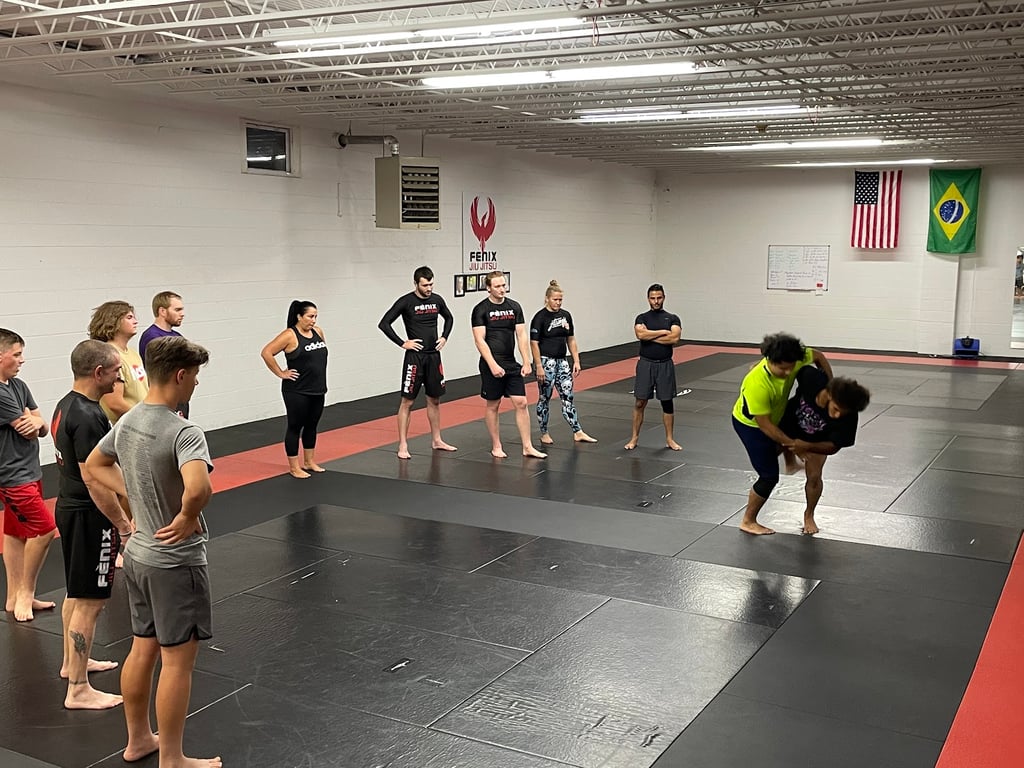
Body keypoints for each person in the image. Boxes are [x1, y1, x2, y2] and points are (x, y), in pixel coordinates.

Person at [85, 336, 220, 768]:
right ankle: (173, 758)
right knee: (178, 662)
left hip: (140, 556)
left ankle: (140, 739)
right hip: (174, 563)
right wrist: (185, 515)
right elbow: (199, 488)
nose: (196, 383)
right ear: (180, 376)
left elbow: (95, 464)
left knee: (142, 648)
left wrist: (136, 494)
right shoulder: (184, 431)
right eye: (194, 376)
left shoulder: (130, 419)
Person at [52, 340, 134, 709]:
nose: (119, 379)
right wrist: (123, 525)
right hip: (88, 515)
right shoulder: (88, 415)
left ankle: (72, 664)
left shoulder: (66, 404)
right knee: (90, 602)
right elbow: (94, 479)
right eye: (116, 372)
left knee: (76, 593)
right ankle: (79, 690)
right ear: (98, 372)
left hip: (70, 509)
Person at [731, 332, 834, 535]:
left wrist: (831, 384)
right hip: (751, 426)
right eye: (782, 368)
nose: (788, 373)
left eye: (791, 367)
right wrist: (795, 446)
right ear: (769, 360)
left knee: (787, 434)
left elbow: (819, 356)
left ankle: (790, 463)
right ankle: (748, 521)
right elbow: (765, 426)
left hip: (777, 413)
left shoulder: (794, 356)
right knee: (769, 476)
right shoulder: (756, 383)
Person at [0, 329, 57, 622]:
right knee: (45, 530)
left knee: (15, 532)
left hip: (30, 469)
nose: (22, 360)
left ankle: (13, 596)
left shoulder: (18, 385)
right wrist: (34, 422)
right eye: (17, 354)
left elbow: (41, 426)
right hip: (12, 475)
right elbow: (30, 428)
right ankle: (25, 591)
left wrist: (35, 422)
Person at [378, 266, 458, 460]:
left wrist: (444, 337)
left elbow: (449, 318)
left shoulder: (437, 300)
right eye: (425, 285)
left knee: (435, 400)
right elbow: (384, 323)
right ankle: (403, 444)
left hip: (433, 357)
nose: (429, 288)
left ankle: (437, 440)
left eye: (431, 284)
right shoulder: (406, 301)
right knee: (408, 401)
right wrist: (402, 343)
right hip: (415, 358)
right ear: (416, 283)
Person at [780, 368, 871, 535]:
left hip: (815, 440)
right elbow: (796, 361)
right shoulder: (813, 379)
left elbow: (834, 446)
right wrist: (762, 367)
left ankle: (809, 514)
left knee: (814, 477)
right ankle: (790, 462)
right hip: (787, 425)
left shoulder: (849, 415)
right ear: (830, 395)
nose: (837, 416)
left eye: (842, 413)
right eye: (836, 409)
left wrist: (806, 446)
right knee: (765, 465)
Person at [471, 270, 547, 459]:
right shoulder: (480, 309)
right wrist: (492, 365)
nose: (502, 289)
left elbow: (521, 335)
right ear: (488, 288)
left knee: (521, 402)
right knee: (493, 405)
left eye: (503, 285)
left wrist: (526, 360)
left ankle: (527, 446)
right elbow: (480, 340)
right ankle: (496, 446)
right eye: (497, 286)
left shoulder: (514, 306)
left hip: (511, 363)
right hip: (491, 364)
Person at [261, 301, 329, 478]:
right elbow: (266, 352)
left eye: (315, 316)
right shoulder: (289, 335)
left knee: (312, 425)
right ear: (299, 316)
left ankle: (309, 461)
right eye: (310, 316)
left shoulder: (318, 332)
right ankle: (294, 467)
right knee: (295, 426)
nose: (313, 320)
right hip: (297, 391)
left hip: (318, 389)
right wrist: (281, 373)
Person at [530, 280, 597, 445]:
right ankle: (544, 432)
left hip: (562, 361)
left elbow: (571, 339)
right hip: (546, 361)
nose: (558, 303)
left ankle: (577, 431)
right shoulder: (540, 318)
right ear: (547, 299)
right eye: (555, 299)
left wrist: (576, 360)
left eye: (560, 300)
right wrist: (538, 366)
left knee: (568, 396)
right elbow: (534, 343)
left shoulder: (565, 315)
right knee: (544, 397)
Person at [625, 284, 683, 451]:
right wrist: (663, 332)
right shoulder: (642, 318)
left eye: (659, 298)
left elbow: (674, 338)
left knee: (667, 402)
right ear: (648, 299)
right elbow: (640, 334)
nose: (656, 301)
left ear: (664, 298)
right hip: (646, 364)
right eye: (653, 298)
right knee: (639, 402)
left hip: (665, 364)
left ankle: (670, 439)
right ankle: (634, 438)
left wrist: (650, 335)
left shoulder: (672, 318)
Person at [88, 301, 149, 425]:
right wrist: (145, 417)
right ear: (113, 321)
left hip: (141, 421)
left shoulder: (133, 353)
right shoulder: (108, 355)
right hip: (128, 425)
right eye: (129, 317)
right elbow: (115, 403)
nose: (135, 321)